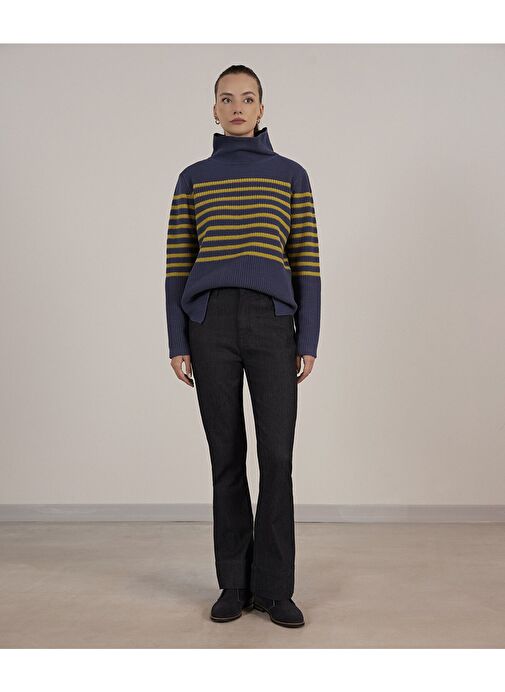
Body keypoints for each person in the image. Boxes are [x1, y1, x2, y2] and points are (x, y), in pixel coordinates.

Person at [165, 64, 321, 628]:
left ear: (261, 108)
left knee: (277, 457)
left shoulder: (291, 175)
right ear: (214, 109)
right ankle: (234, 582)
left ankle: (275, 588)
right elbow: (177, 265)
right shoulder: (193, 179)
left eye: (247, 98)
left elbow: (306, 260)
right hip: (209, 324)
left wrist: (309, 336)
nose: (237, 107)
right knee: (226, 456)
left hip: (273, 323)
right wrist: (177, 338)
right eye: (227, 99)